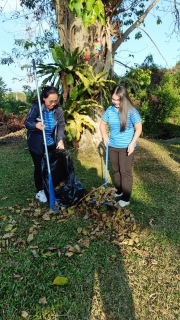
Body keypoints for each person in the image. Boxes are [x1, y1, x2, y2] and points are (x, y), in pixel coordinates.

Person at [100, 85, 142, 207]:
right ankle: (119, 191)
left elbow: (138, 128)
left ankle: (126, 198)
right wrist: (104, 135)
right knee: (116, 170)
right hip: (112, 145)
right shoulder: (110, 110)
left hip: (126, 146)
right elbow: (102, 124)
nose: (115, 102)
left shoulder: (131, 111)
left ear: (124, 98)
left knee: (125, 171)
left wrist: (132, 144)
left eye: (118, 100)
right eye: (113, 99)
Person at [24, 86, 65, 203]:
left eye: (55, 101)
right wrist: (36, 125)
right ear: (43, 99)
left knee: (51, 167)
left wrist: (60, 140)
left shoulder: (58, 110)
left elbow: (61, 125)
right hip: (37, 144)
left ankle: (50, 186)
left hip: (51, 143)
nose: (53, 104)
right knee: (39, 168)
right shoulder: (36, 108)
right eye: (50, 101)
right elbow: (27, 121)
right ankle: (40, 191)